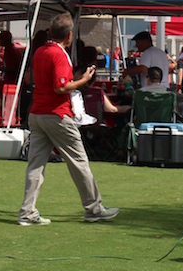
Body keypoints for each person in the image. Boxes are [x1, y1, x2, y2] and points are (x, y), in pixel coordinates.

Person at [19, 13, 118, 226]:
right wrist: (83, 80)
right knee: (79, 163)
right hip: (57, 114)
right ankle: (94, 208)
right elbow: (61, 87)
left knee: (36, 165)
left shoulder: (40, 51)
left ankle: (27, 212)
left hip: (37, 114)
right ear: (69, 35)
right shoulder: (59, 54)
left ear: (50, 32)